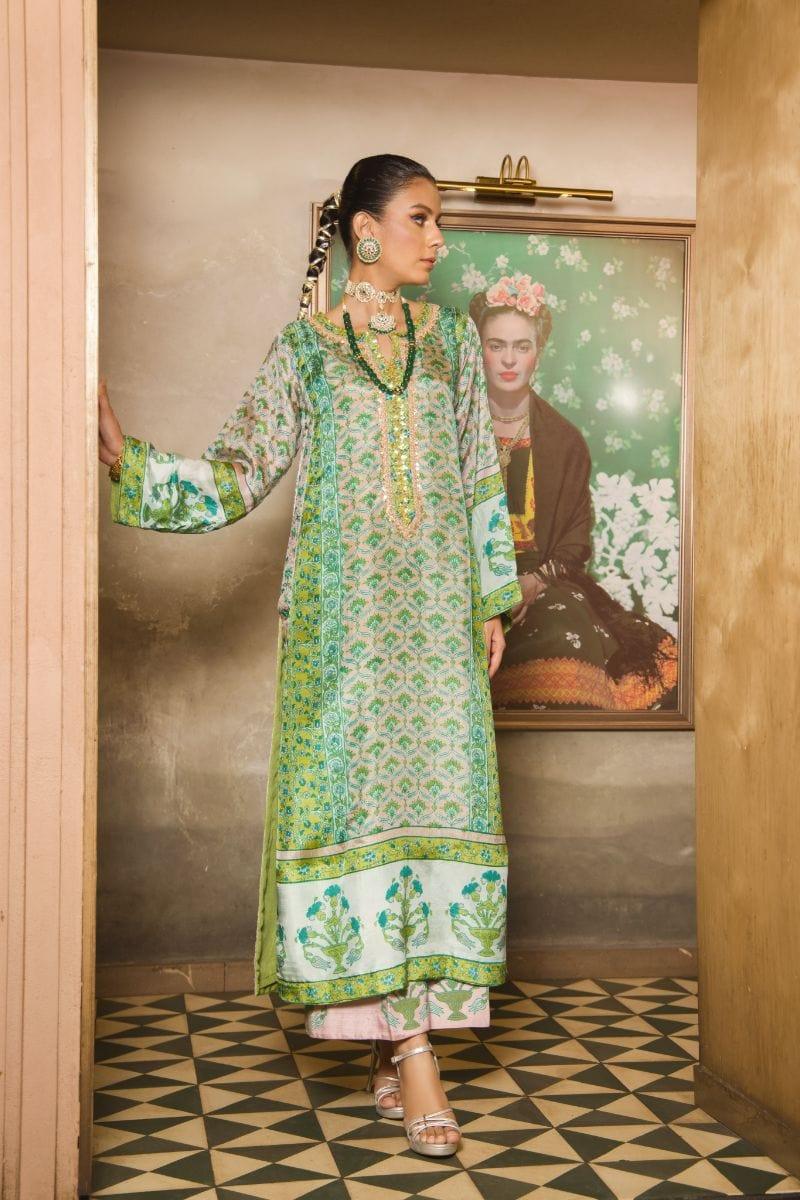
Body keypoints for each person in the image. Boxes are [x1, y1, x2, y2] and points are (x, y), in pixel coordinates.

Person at [98, 155, 522, 1157]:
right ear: (365, 230)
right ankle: (413, 1054)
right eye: (421, 218)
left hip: (436, 632)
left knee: (435, 820)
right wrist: (129, 462)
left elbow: (478, 476)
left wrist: (491, 599)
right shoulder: (307, 349)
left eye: (439, 220)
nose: (438, 238)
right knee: (357, 823)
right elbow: (240, 470)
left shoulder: (452, 344)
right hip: (344, 635)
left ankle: (394, 1047)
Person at [469, 276, 678, 711]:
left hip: (539, 582)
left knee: (567, 636)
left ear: (539, 353)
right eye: (496, 345)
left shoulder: (564, 441)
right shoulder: (454, 430)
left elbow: (575, 541)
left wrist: (532, 583)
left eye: (522, 347)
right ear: (479, 350)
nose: (508, 359)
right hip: (465, 583)